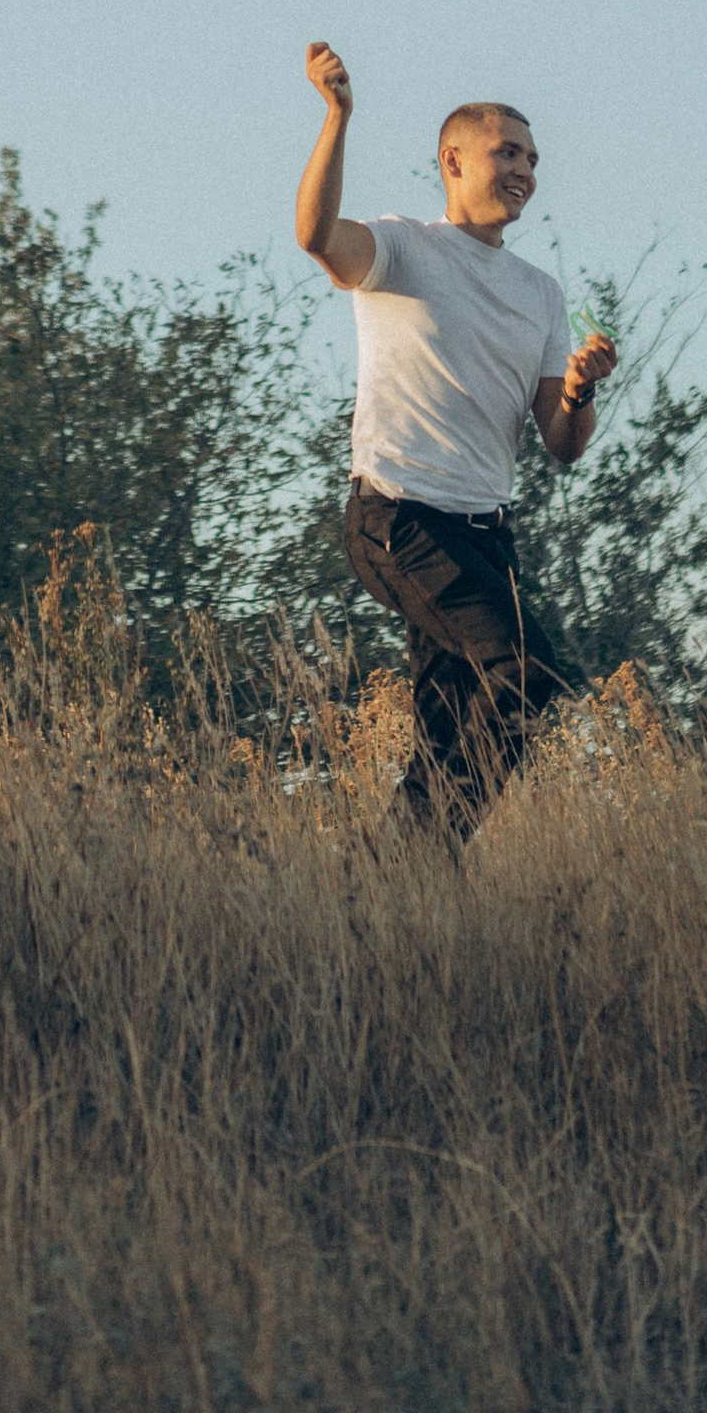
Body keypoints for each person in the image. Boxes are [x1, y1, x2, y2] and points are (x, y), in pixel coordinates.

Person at [295, 42, 618, 833]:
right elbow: (314, 235)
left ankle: (400, 875)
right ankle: (431, 851)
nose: (526, 171)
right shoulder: (403, 247)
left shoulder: (542, 293)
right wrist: (338, 117)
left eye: (534, 159)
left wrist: (580, 391)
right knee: (527, 672)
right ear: (454, 159)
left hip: (486, 536)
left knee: (449, 726)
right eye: (508, 151)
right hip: (398, 516)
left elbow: (563, 443)